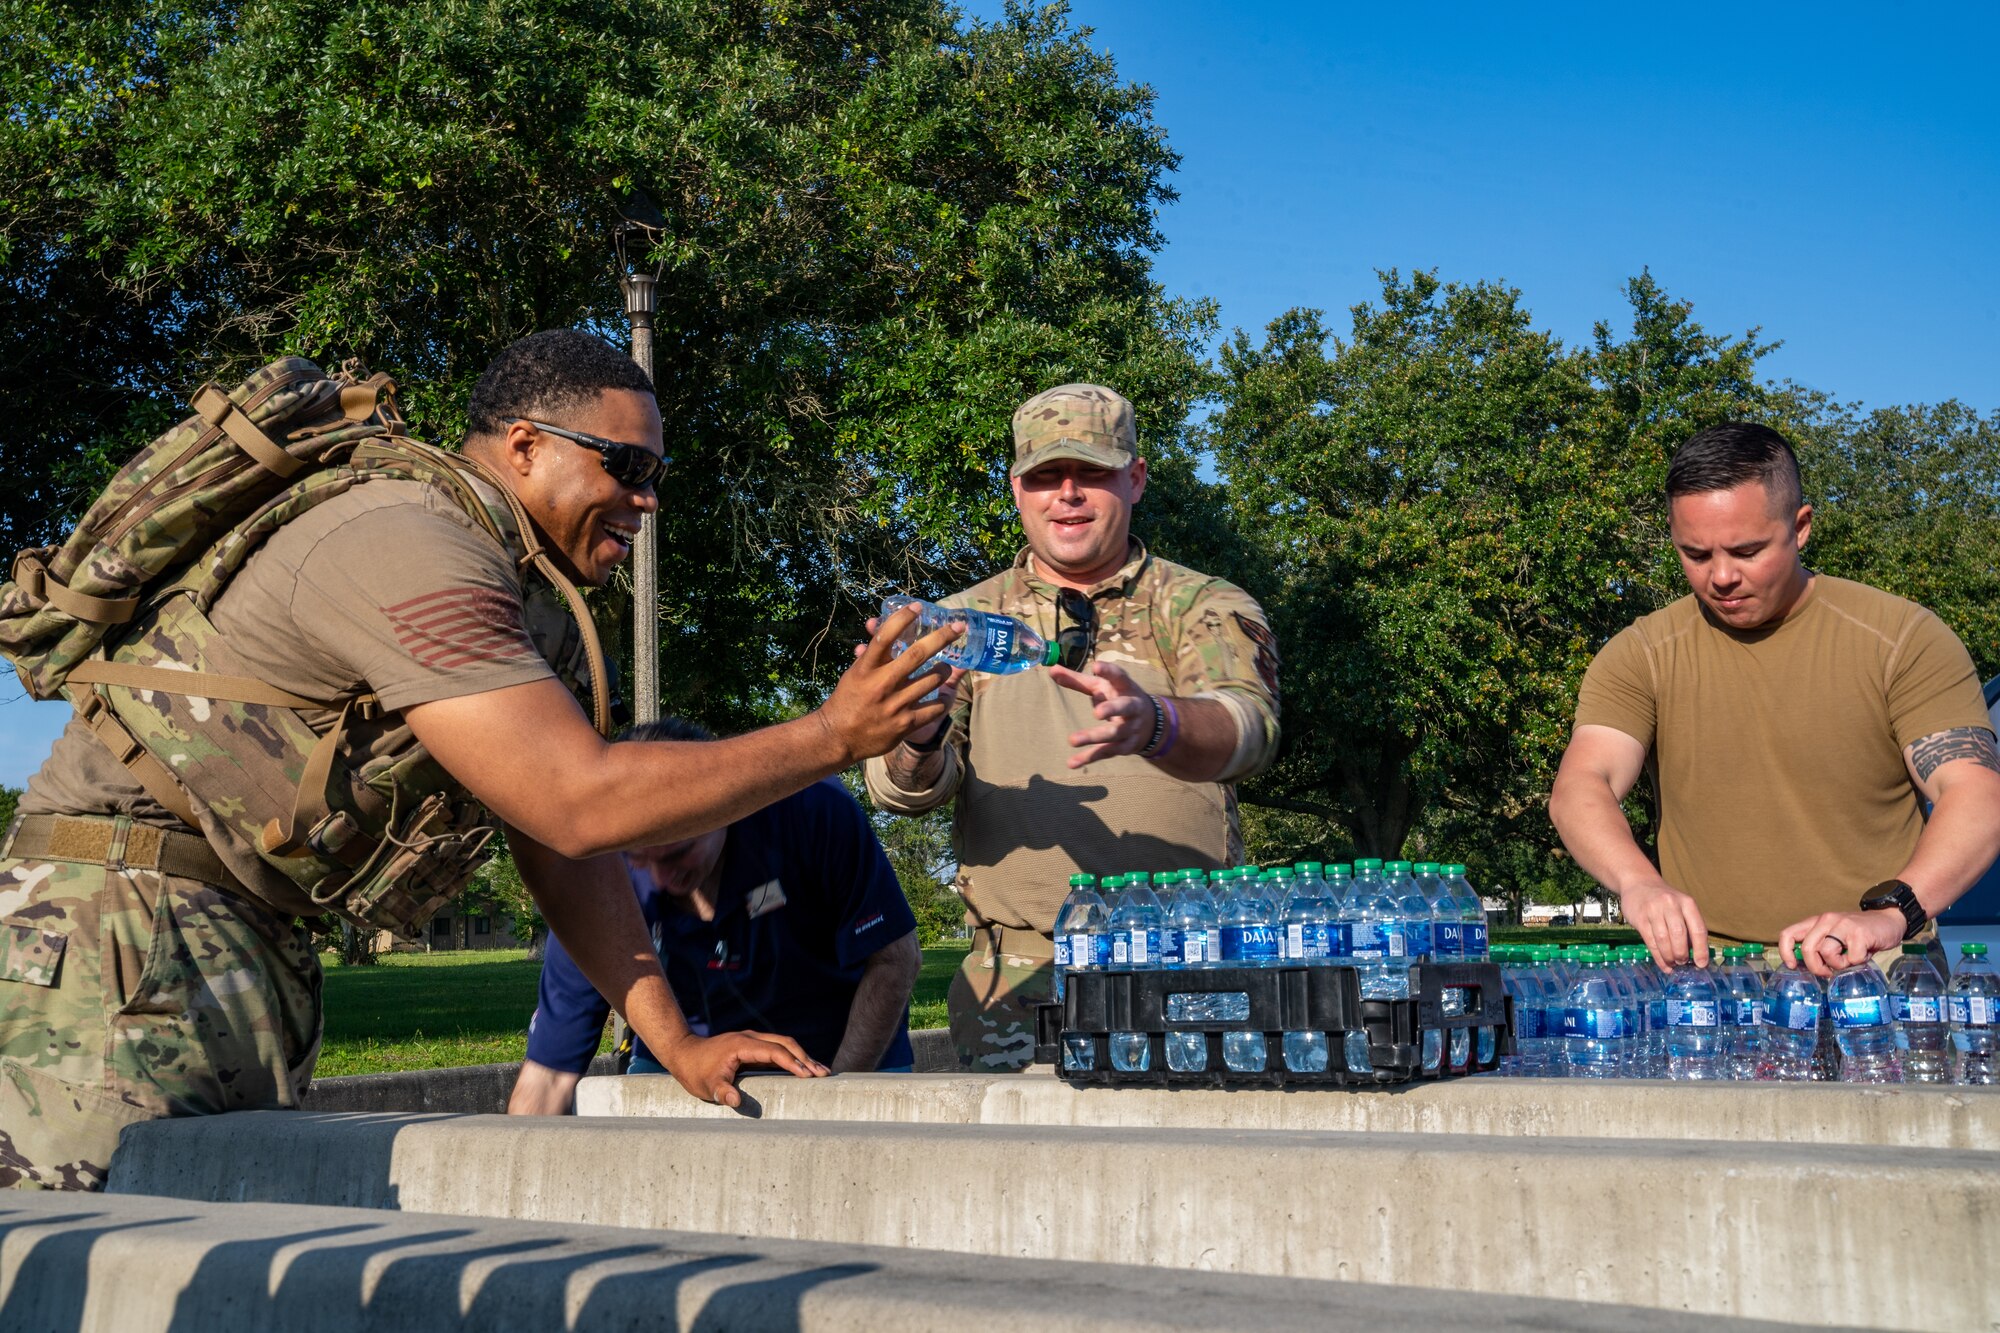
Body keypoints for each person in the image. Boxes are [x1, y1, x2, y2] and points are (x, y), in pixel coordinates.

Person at [0, 330, 958, 1189]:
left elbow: (559, 841)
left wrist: (676, 1042)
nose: (645, 498)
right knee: (87, 1257)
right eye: (624, 464)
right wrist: (831, 736)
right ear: (525, 445)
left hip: (229, 935)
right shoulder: (413, 541)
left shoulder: (533, 599)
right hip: (116, 926)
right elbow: (582, 801)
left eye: (656, 472)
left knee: (199, 1255)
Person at [864, 383, 1281, 1069]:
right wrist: (920, 734)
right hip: (1019, 983)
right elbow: (900, 789)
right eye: (1045, 476)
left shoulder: (1201, 605)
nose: (1068, 494)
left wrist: (1157, 723)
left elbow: (1248, 725)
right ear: (1016, 489)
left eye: (1091, 472)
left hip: (1185, 963)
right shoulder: (963, 622)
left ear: (1136, 478)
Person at [1549, 421, 2000, 978]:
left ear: (1801, 526)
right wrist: (1638, 883)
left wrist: (1892, 912)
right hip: (1709, 977)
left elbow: (1976, 794)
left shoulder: (1903, 638)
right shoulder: (1641, 653)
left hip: (1875, 963)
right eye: (1694, 553)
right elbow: (1580, 787)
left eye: (1747, 550)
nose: (1720, 576)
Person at [508, 718, 921, 1115]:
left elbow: (894, 958)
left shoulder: (815, 810)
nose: (659, 877)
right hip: (678, 1068)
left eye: (676, 853)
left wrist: (836, 1097)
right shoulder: (598, 870)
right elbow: (547, 1077)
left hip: (842, 1059)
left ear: (725, 807)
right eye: (637, 855)